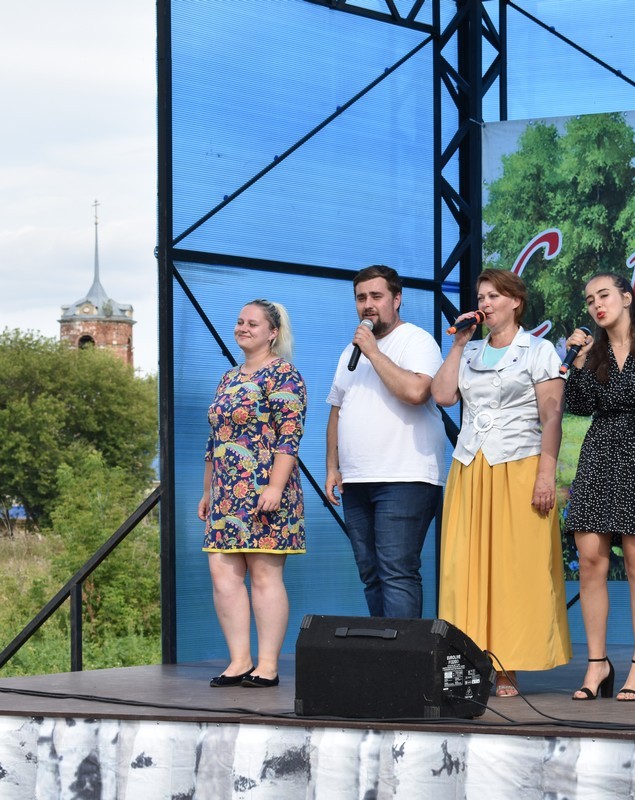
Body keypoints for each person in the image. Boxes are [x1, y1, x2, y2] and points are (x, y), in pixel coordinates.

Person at [432, 269, 572, 697]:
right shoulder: (470, 350)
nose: (485, 304)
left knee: (515, 568)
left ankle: (507, 664)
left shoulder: (538, 350)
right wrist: (458, 343)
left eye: (494, 296)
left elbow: (551, 416)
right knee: (464, 568)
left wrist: (546, 474)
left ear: (516, 302)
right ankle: (466, 664)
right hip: (470, 468)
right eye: (481, 297)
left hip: (519, 465)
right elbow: (442, 396)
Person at [562, 272, 635, 702]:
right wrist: (578, 361)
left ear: (627, 297)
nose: (597, 304)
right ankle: (597, 664)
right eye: (590, 299)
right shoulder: (592, 354)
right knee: (590, 560)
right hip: (599, 452)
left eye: (604, 295)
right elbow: (579, 405)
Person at [324, 265, 446, 619]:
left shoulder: (417, 340)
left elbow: (417, 392)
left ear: (397, 299)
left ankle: (402, 653)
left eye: (376, 296)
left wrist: (374, 352)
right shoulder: (349, 352)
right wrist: (332, 467)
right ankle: (382, 649)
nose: (368, 304)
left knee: (397, 571)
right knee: (371, 574)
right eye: (361, 297)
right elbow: (337, 410)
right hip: (356, 479)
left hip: (405, 477)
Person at [198, 299, 306, 688]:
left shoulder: (284, 374)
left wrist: (275, 487)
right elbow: (214, 440)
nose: (243, 327)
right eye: (240, 321)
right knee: (223, 575)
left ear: (273, 332)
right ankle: (239, 661)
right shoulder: (228, 378)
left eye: (253, 323)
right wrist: (207, 491)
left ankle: (268, 666)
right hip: (225, 494)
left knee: (263, 575)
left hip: (264, 490)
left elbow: (289, 436)